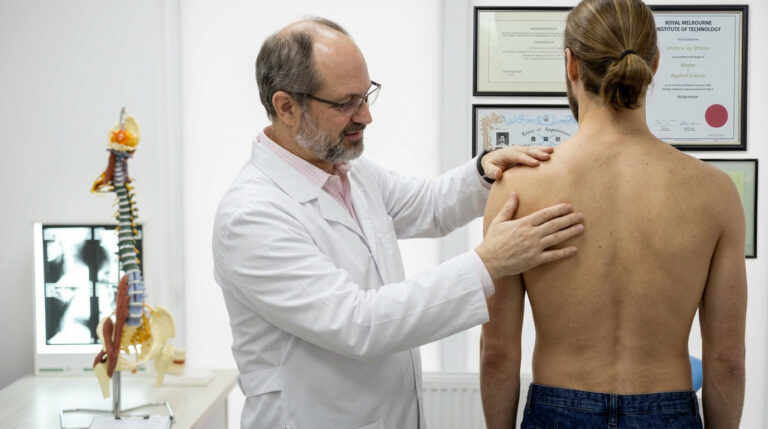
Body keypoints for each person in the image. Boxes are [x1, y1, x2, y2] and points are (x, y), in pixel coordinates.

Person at [212, 17, 585, 429]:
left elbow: (430, 205)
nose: (366, 116)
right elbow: (359, 324)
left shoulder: (347, 173)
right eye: (346, 103)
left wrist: (483, 171)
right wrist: (488, 263)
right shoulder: (251, 217)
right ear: (286, 107)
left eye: (366, 95)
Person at [479, 0, 747, 428]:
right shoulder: (715, 192)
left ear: (571, 64)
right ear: (654, 64)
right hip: (667, 411)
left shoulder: (518, 186)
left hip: (558, 411)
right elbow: (726, 359)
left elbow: (498, 352)